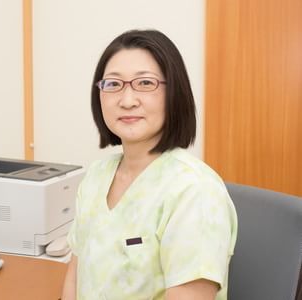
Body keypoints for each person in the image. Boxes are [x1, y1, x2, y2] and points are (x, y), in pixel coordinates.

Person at [61, 29, 237, 300]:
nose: (127, 100)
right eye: (113, 84)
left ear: (174, 93)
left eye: (145, 83)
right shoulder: (96, 176)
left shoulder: (194, 190)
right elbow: (75, 273)